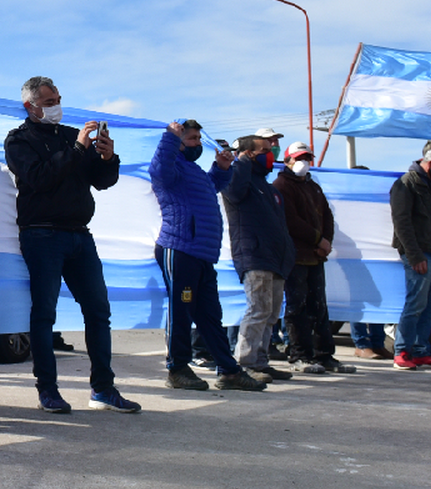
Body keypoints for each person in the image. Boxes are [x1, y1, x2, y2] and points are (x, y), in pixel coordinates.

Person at [4, 77, 139, 414]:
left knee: (98, 311)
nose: (56, 107)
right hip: (42, 235)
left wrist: (107, 158)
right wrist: (79, 149)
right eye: (49, 102)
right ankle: (47, 390)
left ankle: (103, 389)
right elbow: (37, 179)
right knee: (44, 313)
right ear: (30, 106)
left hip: (80, 234)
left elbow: (102, 181)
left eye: (58, 99)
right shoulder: (19, 139)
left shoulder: (68, 136)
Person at [148, 120, 263, 392]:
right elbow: (158, 170)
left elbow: (210, 187)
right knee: (181, 311)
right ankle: (177, 368)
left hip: (201, 253)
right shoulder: (170, 167)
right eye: (192, 139)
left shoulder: (193, 171)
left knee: (211, 315)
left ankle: (229, 371)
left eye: (200, 138)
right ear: (177, 141)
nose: (198, 143)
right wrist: (169, 138)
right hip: (179, 248)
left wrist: (222, 169)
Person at [222, 134, 295, 383]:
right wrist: (240, 162)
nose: (270, 153)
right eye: (263, 149)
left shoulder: (269, 188)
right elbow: (232, 193)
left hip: (276, 259)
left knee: (271, 314)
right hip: (255, 255)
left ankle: (261, 362)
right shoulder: (238, 179)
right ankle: (246, 362)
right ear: (248, 153)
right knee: (258, 310)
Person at [277, 142, 354, 375]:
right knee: (296, 307)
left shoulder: (313, 186)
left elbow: (327, 215)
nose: (304, 162)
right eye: (299, 158)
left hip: (316, 256)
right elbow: (291, 221)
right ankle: (300, 354)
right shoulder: (281, 185)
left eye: (307, 157)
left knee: (319, 307)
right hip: (296, 256)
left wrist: (326, 241)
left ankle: (324, 354)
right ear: (288, 160)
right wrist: (318, 240)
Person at [389, 144, 431, 370]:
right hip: (421, 254)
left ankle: (420, 351)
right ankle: (403, 351)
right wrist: (415, 255)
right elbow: (402, 223)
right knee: (415, 304)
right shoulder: (406, 183)